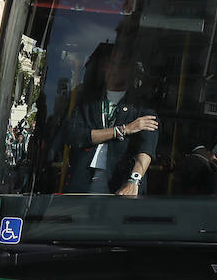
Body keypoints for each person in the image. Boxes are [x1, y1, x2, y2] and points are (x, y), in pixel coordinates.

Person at [63, 45, 159, 195]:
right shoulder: (87, 102)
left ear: (129, 70)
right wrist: (123, 130)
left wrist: (134, 180)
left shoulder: (141, 107)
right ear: (104, 67)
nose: (115, 69)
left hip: (121, 184)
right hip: (82, 182)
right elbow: (74, 136)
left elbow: (146, 147)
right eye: (110, 64)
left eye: (121, 64)